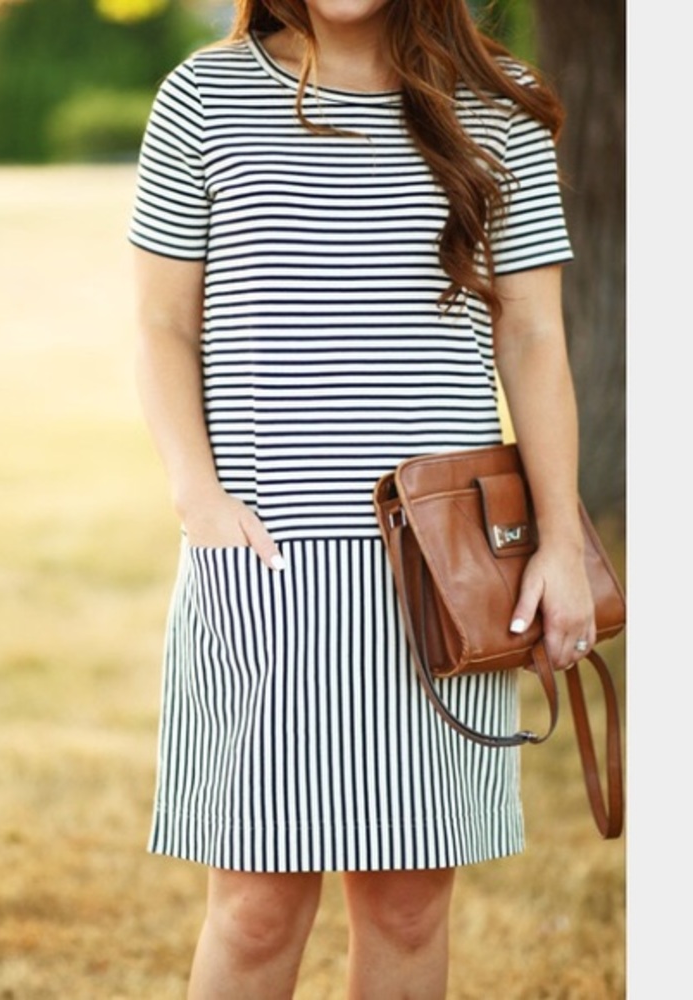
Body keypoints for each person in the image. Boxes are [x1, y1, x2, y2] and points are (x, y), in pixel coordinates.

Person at [128, 1, 594, 996]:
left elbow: (534, 340)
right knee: (255, 910)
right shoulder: (202, 98)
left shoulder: (496, 113)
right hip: (262, 557)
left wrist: (557, 543)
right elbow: (163, 326)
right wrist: (198, 499)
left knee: (409, 903)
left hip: (439, 570)